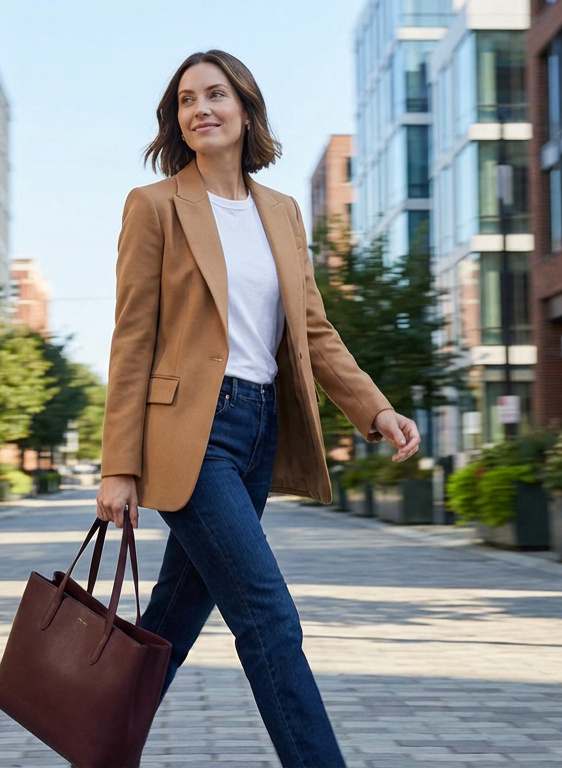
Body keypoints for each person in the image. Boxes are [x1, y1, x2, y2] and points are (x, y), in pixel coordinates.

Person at [95, 49, 421, 768]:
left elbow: (311, 330)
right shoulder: (153, 207)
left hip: (258, 428)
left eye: (215, 95)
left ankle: (96, 749)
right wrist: (117, 465)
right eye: (186, 99)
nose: (199, 109)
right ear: (176, 119)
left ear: (245, 108)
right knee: (268, 617)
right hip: (190, 435)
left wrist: (375, 410)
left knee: (172, 623)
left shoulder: (282, 212)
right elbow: (132, 342)